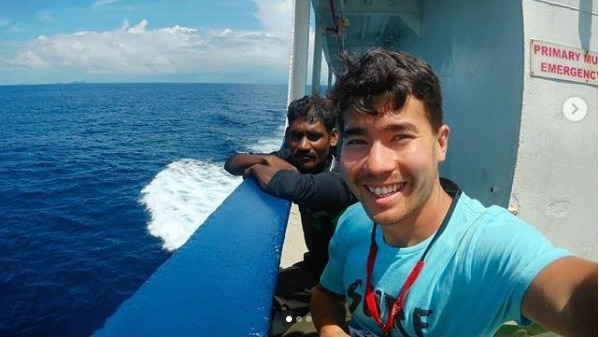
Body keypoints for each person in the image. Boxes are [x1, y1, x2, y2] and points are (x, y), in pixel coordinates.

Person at [310, 49, 598, 337]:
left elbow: (575, 298)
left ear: (440, 143)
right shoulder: (354, 222)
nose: (376, 164)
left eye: (400, 137)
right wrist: (330, 327)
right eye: (358, 141)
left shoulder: (486, 246)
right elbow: (327, 293)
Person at [224, 95, 357, 336]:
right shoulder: (295, 158)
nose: (304, 145)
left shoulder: (342, 178)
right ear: (288, 136)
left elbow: (296, 186)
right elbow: (231, 163)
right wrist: (265, 159)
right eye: (296, 136)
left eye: (314, 136)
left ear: (334, 138)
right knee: (252, 294)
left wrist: (257, 169)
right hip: (315, 269)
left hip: (350, 287)